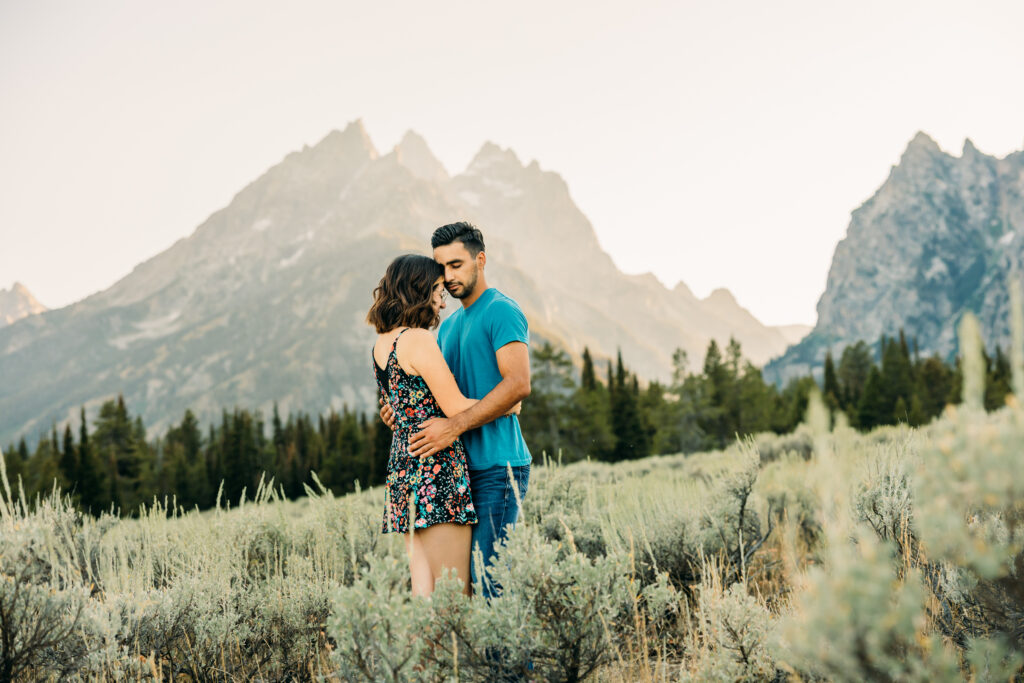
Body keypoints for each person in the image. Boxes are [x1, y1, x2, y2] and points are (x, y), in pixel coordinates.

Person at [383, 221, 532, 600]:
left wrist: (455, 425)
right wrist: (402, 411)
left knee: (490, 584)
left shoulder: (501, 311)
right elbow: (440, 395)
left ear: (480, 260)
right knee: (460, 592)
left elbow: (518, 384)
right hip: (458, 474)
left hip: (498, 466)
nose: (448, 276)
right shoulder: (447, 328)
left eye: (457, 265)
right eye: (442, 268)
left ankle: (511, 644)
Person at [367, 254, 479, 597]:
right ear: (419, 290)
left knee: (425, 597)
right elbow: (455, 406)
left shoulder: (381, 344)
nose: (442, 303)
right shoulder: (417, 339)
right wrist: (508, 403)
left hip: (404, 471)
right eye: (438, 292)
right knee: (454, 598)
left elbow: (402, 408)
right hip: (436, 470)